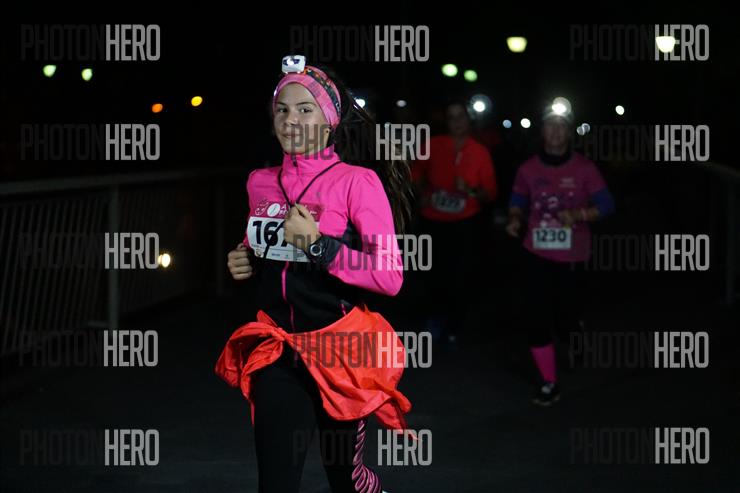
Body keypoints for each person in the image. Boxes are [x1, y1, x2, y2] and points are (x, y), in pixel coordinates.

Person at [216, 56, 413, 493]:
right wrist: (244, 258)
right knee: (276, 483)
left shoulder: (357, 182)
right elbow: (261, 245)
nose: (291, 120)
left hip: (340, 353)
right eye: (282, 109)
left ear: (329, 121)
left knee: (345, 480)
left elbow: (389, 276)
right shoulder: (260, 181)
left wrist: (319, 246)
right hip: (278, 350)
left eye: (305, 109)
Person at [506, 98, 615, 406]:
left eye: (561, 126)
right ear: (542, 131)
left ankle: (575, 334)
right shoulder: (527, 169)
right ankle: (549, 383)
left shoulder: (585, 168)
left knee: (566, 318)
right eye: (550, 125)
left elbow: (607, 205)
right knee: (537, 316)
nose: (555, 131)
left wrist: (579, 214)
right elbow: (517, 201)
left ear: (569, 132)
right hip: (535, 252)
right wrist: (514, 219)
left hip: (572, 256)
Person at [412, 100, 498, 345]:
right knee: (432, 273)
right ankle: (435, 317)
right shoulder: (432, 145)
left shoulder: (480, 152)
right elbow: (414, 175)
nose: (457, 121)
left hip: (464, 223)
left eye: (461, 116)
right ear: (446, 121)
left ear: (469, 120)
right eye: (452, 116)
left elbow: (491, 193)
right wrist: (420, 193)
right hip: (433, 221)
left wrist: (471, 190)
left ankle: (455, 323)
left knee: (460, 275)